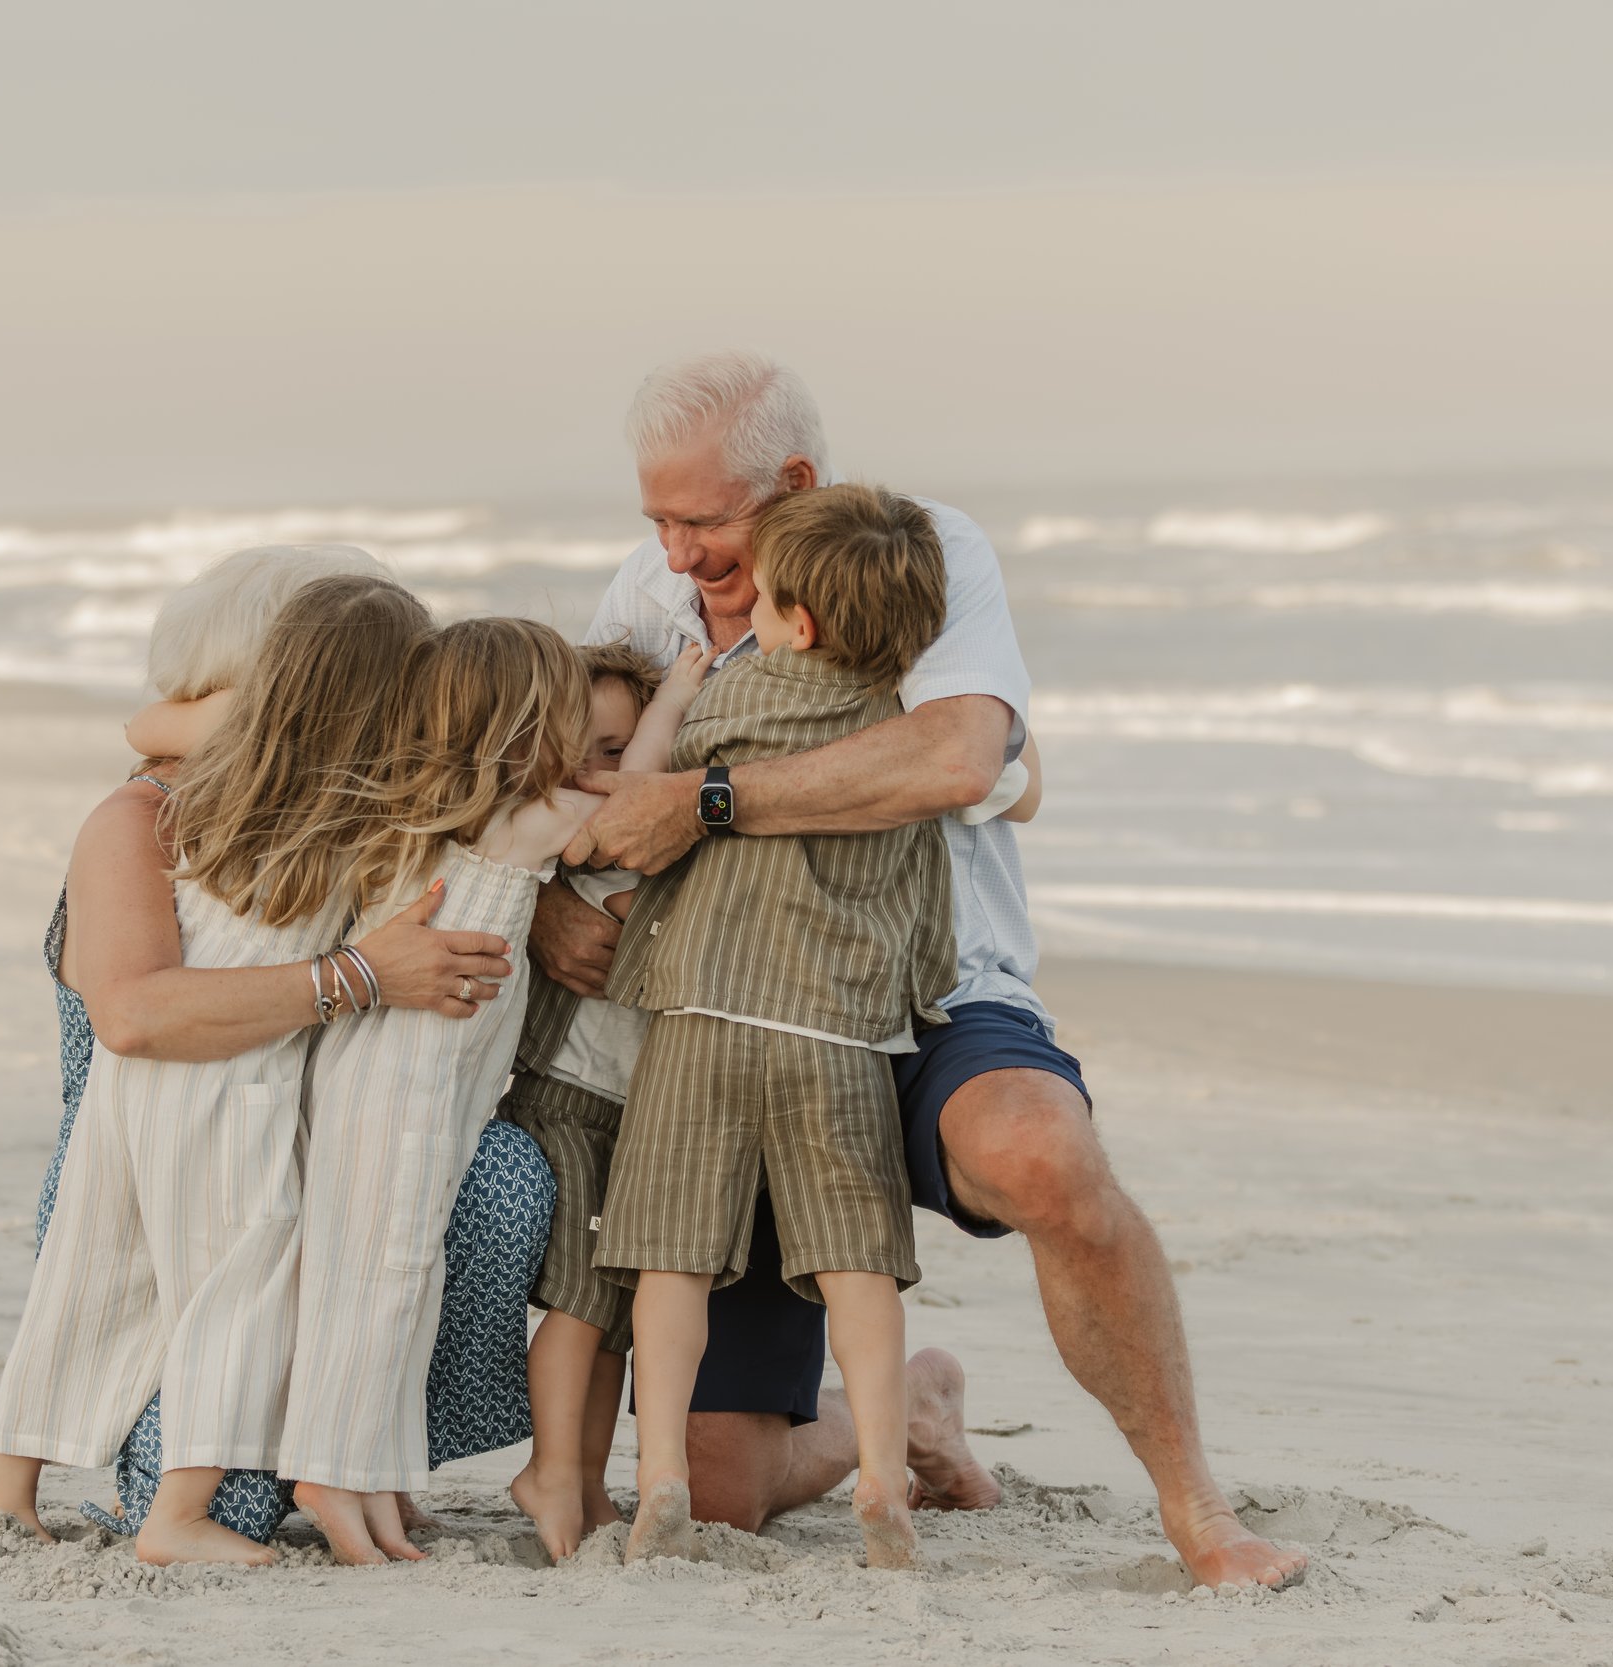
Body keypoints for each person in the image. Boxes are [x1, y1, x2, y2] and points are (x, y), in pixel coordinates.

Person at [549, 352, 1308, 1592]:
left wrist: (708, 801)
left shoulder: (916, 549)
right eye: (657, 519)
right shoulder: (650, 588)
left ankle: (1201, 1515)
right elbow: (580, 764)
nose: (675, 554)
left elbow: (959, 754)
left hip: (932, 990)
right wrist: (545, 920)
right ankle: (906, 1411)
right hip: (730, 1013)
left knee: (1037, 1153)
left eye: (703, 522)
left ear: (793, 481)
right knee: (724, 1491)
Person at [0, 573, 533, 1566]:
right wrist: (361, 972)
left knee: (85, 1279)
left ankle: (4, 1492)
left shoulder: (244, 795)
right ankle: (179, 1512)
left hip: (134, 1114)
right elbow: (135, 1012)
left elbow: (171, 715)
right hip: (221, 1096)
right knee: (250, 1284)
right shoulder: (178, 815)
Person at [598, 484, 955, 1571]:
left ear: (791, 619)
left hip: (702, 1017)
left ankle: (660, 1470)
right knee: (857, 1268)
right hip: (837, 1038)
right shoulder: (895, 745)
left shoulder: (723, 718)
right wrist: (917, 995)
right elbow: (930, 910)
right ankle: (886, 1474)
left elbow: (634, 800)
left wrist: (673, 701)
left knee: (671, 1259)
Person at [275, 618, 602, 1563]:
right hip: (410, 1099)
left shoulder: (399, 823)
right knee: (384, 1284)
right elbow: (635, 793)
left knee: (383, 1283)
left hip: (365, 1084)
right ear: (530, 726)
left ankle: (372, 1476)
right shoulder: (526, 823)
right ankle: (331, 1475)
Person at [495, 639, 705, 1561]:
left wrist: (680, 705)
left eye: (621, 750)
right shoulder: (558, 834)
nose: (601, 772)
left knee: (615, 1310)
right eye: (580, 751)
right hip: (565, 1098)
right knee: (579, 1303)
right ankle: (548, 1467)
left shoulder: (654, 842)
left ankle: (586, 1477)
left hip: (634, 1110)